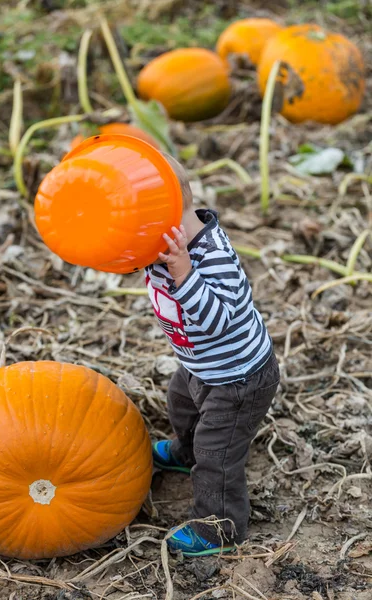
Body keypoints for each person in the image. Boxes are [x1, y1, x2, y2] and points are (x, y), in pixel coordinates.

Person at [146, 154, 280, 557]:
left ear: (165, 221)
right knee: (181, 405)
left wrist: (185, 274)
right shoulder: (163, 245)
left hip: (240, 379)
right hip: (200, 366)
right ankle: (185, 452)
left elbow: (219, 320)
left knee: (216, 456)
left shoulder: (212, 257)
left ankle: (219, 528)